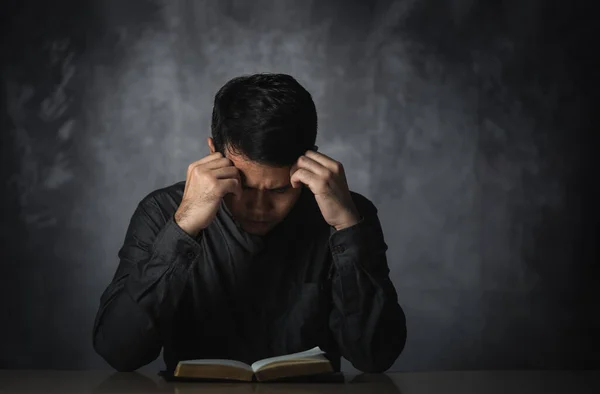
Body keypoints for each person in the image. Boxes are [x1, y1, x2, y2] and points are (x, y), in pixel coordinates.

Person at [92, 73, 407, 373]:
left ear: (310, 160)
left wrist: (347, 229)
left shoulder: (350, 213)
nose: (259, 207)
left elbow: (374, 356)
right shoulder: (161, 212)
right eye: (241, 184)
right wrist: (183, 227)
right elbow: (120, 351)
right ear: (213, 152)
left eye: (280, 189)